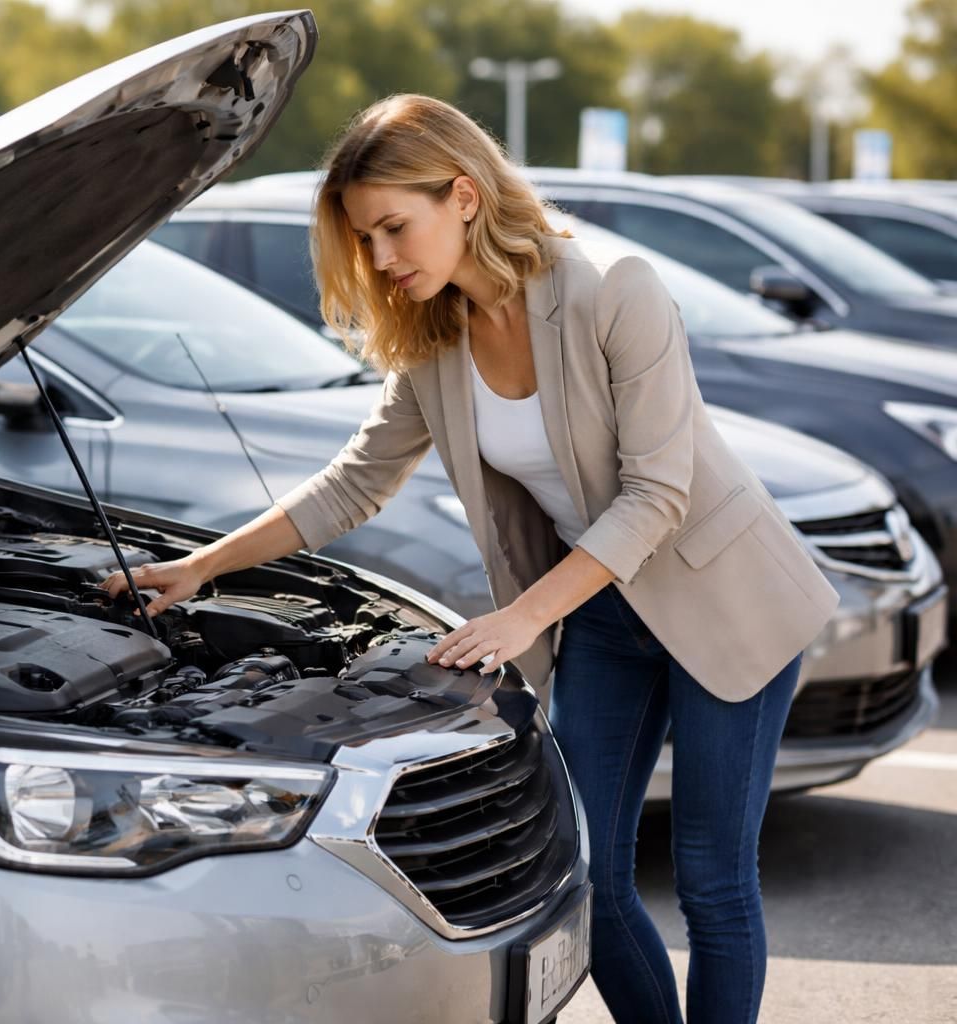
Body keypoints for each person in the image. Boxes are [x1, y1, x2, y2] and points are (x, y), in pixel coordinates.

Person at [103, 94, 838, 1023]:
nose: (380, 259)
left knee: (711, 881)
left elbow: (658, 493)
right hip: (607, 611)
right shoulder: (433, 337)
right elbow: (353, 484)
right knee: (590, 873)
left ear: (463, 195)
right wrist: (204, 567)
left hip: (729, 599)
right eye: (365, 238)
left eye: (392, 228)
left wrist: (526, 615)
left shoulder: (616, 287)